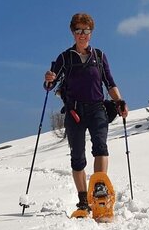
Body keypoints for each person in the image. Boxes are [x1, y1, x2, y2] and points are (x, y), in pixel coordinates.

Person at [44, 12, 128, 217]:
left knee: (101, 147)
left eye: (86, 30)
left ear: (91, 33)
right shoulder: (65, 57)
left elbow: (110, 83)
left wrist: (119, 101)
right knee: (77, 157)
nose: (82, 34)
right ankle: (83, 201)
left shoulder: (99, 56)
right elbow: (50, 84)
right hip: (75, 112)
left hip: (97, 108)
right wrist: (49, 79)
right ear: (73, 33)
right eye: (78, 30)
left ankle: (99, 193)